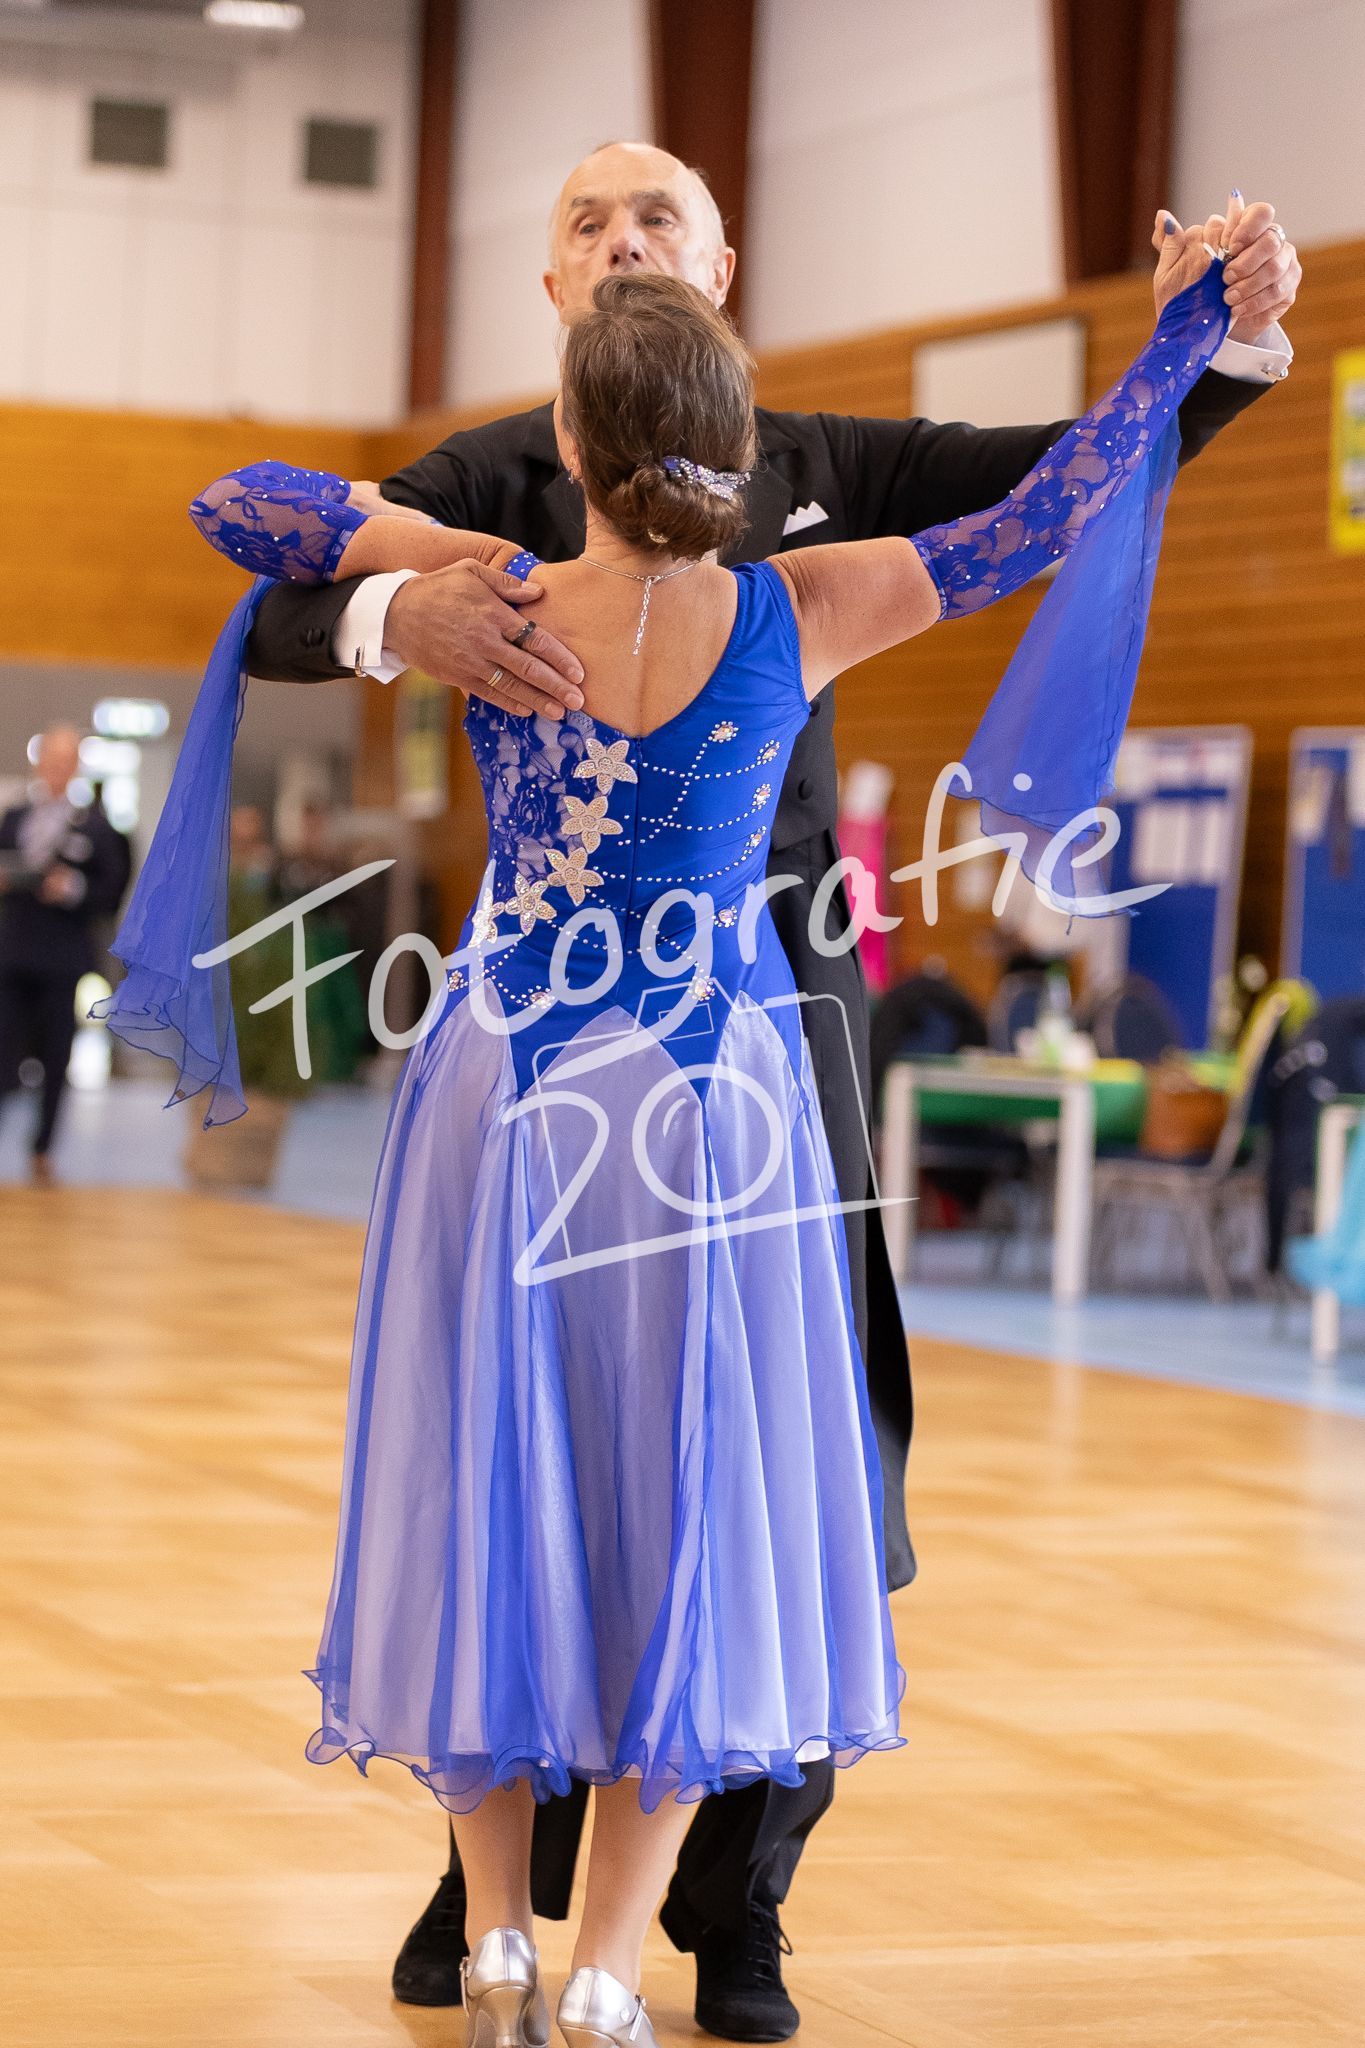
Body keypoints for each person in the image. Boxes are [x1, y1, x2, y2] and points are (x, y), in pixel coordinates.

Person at [118, 229, 1246, 2048]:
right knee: (687, 1503)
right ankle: (608, 1969)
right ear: (734, 440)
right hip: (705, 1097)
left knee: (490, 1477)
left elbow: (232, 505)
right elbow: (1056, 506)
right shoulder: (816, 602)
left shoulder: (495, 589)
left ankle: (497, 1936)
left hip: (504, 1083)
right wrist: (1187, 333)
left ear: (570, 443)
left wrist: (402, 572)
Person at [0, 727, 130, 1184]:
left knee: (56, 1056)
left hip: (62, 958)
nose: (56, 769)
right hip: (13, 955)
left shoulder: (95, 827)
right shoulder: (14, 818)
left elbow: (112, 890)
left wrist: (72, 888)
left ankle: (43, 1149)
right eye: (50, 760)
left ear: (75, 766)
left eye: (65, 761)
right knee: (4, 1051)